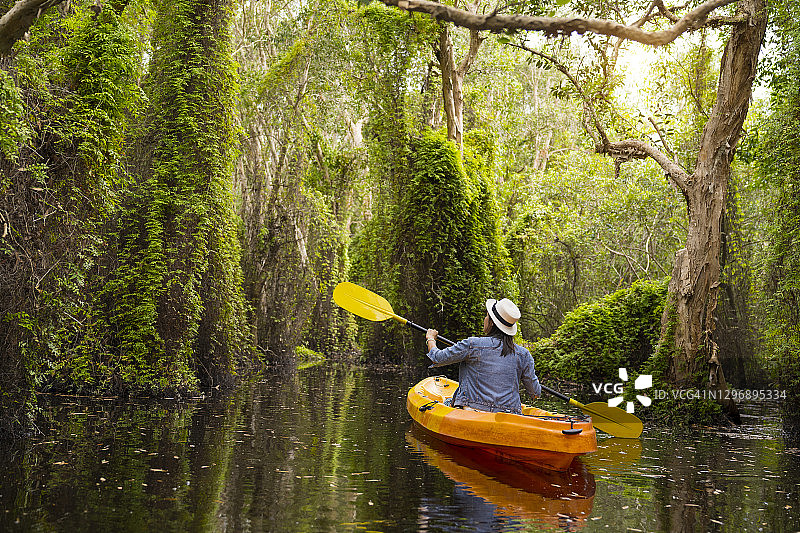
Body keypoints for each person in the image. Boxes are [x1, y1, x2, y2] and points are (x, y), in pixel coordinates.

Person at [425, 297, 541, 415]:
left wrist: (431, 339)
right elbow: (535, 393)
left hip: (473, 411)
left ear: (491, 323)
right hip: (510, 416)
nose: (485, 319)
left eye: (486, 316)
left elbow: (437, 358)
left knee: (449, 402)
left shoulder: (472, 344)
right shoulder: (524, 355)